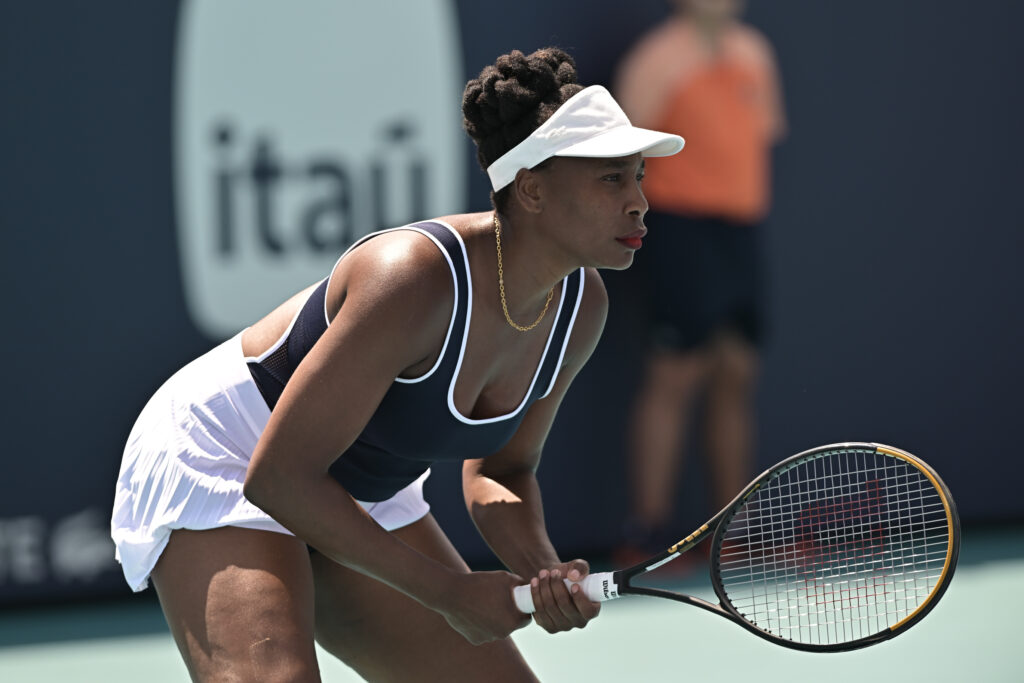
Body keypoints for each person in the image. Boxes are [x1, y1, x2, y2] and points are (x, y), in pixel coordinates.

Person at [111, 47, 683, 682]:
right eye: (611, 179)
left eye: (639, 178)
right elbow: (279, 478)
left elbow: (502, 468)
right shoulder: (412, 277)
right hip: (227, 453)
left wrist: (543, 569)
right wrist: (446, 592)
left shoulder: (581, 306)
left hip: (353, 488)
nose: (639, 202)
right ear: (532, 189)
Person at [612, 0, 786, 561]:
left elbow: (758, 137)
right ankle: (647, 535)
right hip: (678, 230)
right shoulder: (656, 60)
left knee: (736, 369)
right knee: (674, 375)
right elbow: (625, 155)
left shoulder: (755, 53)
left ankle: (734, 535)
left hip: (740, 231)